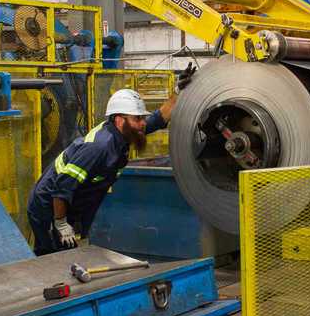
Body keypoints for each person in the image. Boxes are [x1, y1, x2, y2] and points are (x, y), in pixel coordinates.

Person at [27, 65, 195, 255]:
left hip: (72, 202)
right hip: (49, 206)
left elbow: (158, 118)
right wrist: (61, 223)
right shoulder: (100, 146)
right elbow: (62, 186)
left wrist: (178, 92)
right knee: (55, 257)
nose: (142, 124)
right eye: (138, 119)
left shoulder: (124, 134)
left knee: (72, 255)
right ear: (119, 120)